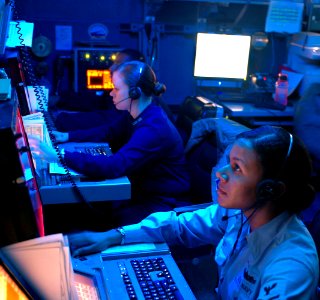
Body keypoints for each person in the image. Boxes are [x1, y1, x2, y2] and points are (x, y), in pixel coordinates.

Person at [67, 125, 319, 299]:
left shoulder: (291, 266)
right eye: (228, 163)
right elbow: (178, 226)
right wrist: (114, 235)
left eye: (237, 168)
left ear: (269, 190)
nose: (221, 174)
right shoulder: (239, 215)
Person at [52, 60, 191, 227]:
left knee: (97, 222)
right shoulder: (139, 114)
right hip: (142, 194)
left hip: (160, 205)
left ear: (134, 93)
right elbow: (108, 132)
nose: (111, 93)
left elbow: (114, 167)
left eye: (116, 89)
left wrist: (60, 156)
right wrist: (66, 136)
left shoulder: (153, 128)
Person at [54, 48, 174, 131]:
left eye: (118, 64)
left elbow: (106, 121)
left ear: (134, 70)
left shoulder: (137, 98)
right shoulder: (129, 90)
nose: (110, 68)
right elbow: (95, 102)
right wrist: (61, 100)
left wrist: (62, 120)